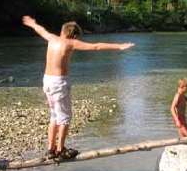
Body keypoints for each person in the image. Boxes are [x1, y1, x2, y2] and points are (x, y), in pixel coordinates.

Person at [22, 15, 135, 160]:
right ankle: (60, 150)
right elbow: (96, 46)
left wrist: (32, 23)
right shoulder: (70, 43)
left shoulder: (52, 38)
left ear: (62, 31)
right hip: (59, 83)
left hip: (47, 81)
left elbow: (41, 29)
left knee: (54, 116)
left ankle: (50, 149)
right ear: (73, 35)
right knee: (65, 118)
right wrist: (119, 46)